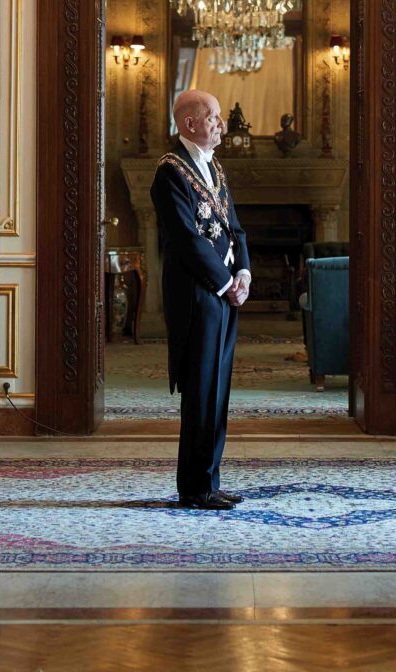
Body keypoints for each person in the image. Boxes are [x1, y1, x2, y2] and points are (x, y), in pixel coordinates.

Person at [150, 90, 251, 510]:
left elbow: (234, 228)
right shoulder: (169, 172)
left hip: (224, 293)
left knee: (218, 390)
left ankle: (209, 480)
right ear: (189, 124)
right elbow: (187, 240)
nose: (221, 125)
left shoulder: (215, 167)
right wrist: (225, 283)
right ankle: (194, 488)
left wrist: (243, 273)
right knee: (201, 392)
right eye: (213, 118)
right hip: (197, 296)